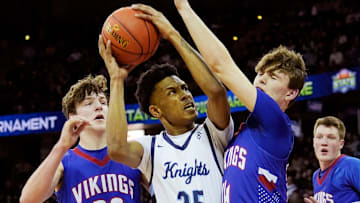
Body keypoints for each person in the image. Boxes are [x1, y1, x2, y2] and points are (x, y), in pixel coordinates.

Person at [168, 0, 307, 202]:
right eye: (260, 73)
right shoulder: (244, 133)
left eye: (273, 76)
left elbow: (220, 65)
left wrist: (183, 8)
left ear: (291, 93)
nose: (262, 78)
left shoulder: (275, 121)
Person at [101, 4, 234, 203]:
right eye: (173, 92)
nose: (185, 95)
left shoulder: (213, 133)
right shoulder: (150, 148)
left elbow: (216, 92)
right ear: (155, 110)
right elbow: (116, 148)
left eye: (185, 88)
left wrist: (172, 34)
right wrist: (117, 79)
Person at [20, 74, 143, 203]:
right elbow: (28, 200)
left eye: (103, 102)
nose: (99, 106)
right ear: (73, 117)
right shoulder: (64, 162)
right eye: (88, 103)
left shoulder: (132, 155)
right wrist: (61, 146)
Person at [304, 116, 360, 203]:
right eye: (319, 137)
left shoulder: (353, 165)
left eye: (331, 137)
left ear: (341, 144)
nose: (324, 142)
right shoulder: (315, 176)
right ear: (314, 142)